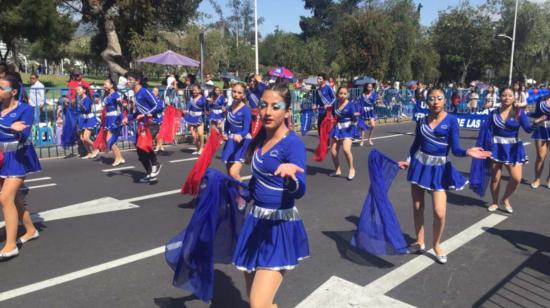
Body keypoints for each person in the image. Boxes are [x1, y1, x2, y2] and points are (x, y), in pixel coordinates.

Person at [233, 82, 307, 308]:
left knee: (257, 303)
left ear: (287, 110)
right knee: (259, 302)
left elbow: (301, 190)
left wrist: (291, 177)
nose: (267, 112)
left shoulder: (293, 144)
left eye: (276, 107)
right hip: (255, 222)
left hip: (278, 227)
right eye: (264, 105)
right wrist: (241, 194)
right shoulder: (260, 140)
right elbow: (257, 182)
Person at [398, 87, 490, 264]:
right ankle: (419, 242)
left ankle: (437, 244)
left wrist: (467, 152)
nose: (435, 102)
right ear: (427, 102)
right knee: (418, 207)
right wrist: (408, 160)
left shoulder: (452, 121)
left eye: (439, 98)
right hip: (419, 166)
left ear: (444, 100)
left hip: (439, 168)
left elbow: (455, 150)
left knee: (439, 213)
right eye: (432, 99)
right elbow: (415, 144)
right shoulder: (422, 120)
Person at [0, 73, 42, 260]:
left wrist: (10, 129)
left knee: (5, 197)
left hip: (18, 156)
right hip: (2, 157)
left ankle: (10, 245)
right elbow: (8, 132)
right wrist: (9, 127)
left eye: (2, 88)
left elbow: (22, 136)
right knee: (14, 198)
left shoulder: (26, 109)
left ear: (14, 91)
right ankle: (31, 229)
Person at [486, 87, 535, 213]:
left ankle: (505, 198)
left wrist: (537, 123)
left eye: (509, 95)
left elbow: (528, 129)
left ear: (514, 98)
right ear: (500, 97)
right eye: (504, 95)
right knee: (495, 178)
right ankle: (495, 202)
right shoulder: (494, 113)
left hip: (513, 148)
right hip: (496, 146)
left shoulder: (519, 112)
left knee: (516, 178)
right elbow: (485, 130)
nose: (506, 98)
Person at [123, 70, 162, 183]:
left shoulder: (144, 92)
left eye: (130, 80)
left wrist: (145, 114)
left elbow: (158, 105)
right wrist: (128, 118)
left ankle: (156, 164)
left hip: (151, 123)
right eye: (128, 80)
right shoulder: (135, 95)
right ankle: (149, 173)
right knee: (140, 151)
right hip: (142, 125)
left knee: (145, 146)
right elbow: (137, 113)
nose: (128, 82)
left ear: (137, 81)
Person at [221, 83, 251, 181]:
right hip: (231, 141)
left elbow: (246, 130)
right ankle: (233, 194)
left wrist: (239, 136)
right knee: (229, 172)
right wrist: (224, 133)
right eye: (234, 91)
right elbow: (227, 125)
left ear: (243, 95)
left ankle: (243, 194)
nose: (236, 94)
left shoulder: (246, 110)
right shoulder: (230, 107)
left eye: (239, 93)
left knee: (233, 173)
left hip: (242, 142)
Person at [329, 86, 358, 180]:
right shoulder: (335, 103)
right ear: (337, 94)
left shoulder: (350, 105)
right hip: (337, 128)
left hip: (348, 129)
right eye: (340, 93)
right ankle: (338, 170)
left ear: (347, 95)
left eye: (345, 94)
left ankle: (351, 169)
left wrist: (355, 116)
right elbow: (333, 115)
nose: (342, 95)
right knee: (333, 151)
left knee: (346, 149)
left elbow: (354, 118)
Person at [102, 79, 126, 166]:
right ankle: (120, 157)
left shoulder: (116, 94)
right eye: (103, 84)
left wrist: (122, 119)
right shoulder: (106, 95)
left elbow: (121, 106)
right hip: (108, 118)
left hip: (114, 118)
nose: (104, 86)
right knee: (112, 140)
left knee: (109, 139)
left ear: (111, 85)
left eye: (105, 84)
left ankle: (117, 158)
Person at [529, 93, 550, 188]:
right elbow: (537, 114)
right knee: (541, 156)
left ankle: (549, 179)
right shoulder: (541, 99)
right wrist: (525, 113)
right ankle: (537, 179)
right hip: (542, 129)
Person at [76, 86, 100, 159]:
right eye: (77, 90)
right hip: (83, 119)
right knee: (82, 138)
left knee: (86, 138)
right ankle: (89, 152)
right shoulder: (80, 99)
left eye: (79, 89)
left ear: (84, 90)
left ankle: (96, 148)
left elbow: (86, 109)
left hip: (89, 119)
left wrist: (81, 104)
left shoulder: (87, 99)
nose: (77, 91)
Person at [183, 84, 207, 155]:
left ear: (199, 90)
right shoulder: (191, 98)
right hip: (191, 117)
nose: (194, 91)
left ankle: (202, 148)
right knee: (193, 135)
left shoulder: (203, 98)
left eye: (195, 89)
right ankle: (198, 148)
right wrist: (186, 110)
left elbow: (206, 108)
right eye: (193, 90)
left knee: (200, 133)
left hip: (199, 117)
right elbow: (188, 106)